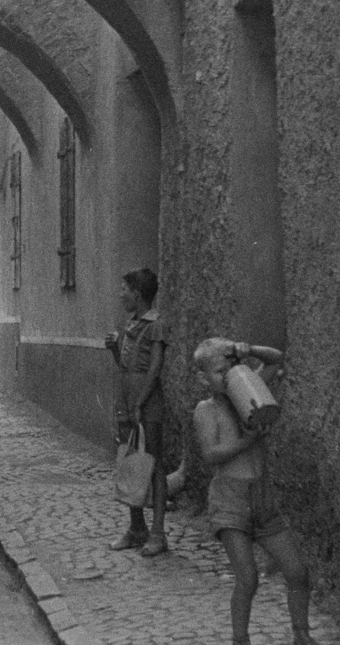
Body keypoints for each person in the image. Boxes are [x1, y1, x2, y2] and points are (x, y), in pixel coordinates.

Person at [193, 337, 314, 645]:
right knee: (247, 579)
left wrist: (247, 350)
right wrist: (247, 442)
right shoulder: (206, 410)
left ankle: (302, 636)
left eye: (232, 367)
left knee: (297, 572)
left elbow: (276, 359)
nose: (228, 375)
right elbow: (211, 454)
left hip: (263, 497)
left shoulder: (252, 389)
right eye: (220, 371)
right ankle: (240, 639)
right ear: (202, 378)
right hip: (230, 501)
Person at [103, 267, 169, 557]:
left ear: (138, 294)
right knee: (129, 460)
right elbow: (126, 366)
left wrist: (141, 402)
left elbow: (154, 368)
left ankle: (157, 532)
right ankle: (136, 528)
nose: (121, 295)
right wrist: (115, 350)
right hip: (128, 397)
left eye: (125, 290)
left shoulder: (156, 325)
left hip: (147, 399)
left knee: (152, 462)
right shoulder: (131, 324)